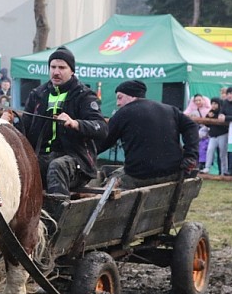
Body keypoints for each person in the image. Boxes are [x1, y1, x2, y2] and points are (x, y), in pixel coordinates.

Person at [20, 46, 107, 197]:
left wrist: (76, 123)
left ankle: (56, 216)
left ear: (72, 70)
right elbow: (24, 128)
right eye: (53, 67)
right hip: (43, 155)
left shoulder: (84, 95)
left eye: (62, 67)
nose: (56, 72)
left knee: (57, 166)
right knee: (21, 166)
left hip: (76, 160)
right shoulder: (38, 95)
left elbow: (101, 128)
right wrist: (6, 123)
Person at [98, 80, 198, 189]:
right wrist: (190, 155)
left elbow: (104, 141)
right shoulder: (170, 110)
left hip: (139, 176)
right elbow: (191, 126)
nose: (118, 103)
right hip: (172, 173)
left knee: (112, 179)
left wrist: (87, 153)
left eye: (120, 97)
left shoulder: (123, 113)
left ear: (132, 95)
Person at [184, 93, 211, 168]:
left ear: (203, 100)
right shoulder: (193, 110)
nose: (198, 102)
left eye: (199, 100)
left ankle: (203, 165)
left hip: (206, 132)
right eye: (196, 100)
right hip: (196, 131)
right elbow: (185, 113)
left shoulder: (208, 110)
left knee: (204, 148)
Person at [203, 97, 226, 175]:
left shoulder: (222, 112)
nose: (213, 105)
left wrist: (214, 117)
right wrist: (209, 117)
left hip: (222, 135)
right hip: (213, 136)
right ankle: (207, 167)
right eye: (212, 103)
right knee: (210, 150)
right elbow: (206, 124)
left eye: (215, 103)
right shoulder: (210, 112)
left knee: (223, 153)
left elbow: (223, 122)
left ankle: (224, 171)